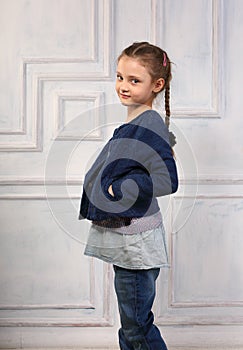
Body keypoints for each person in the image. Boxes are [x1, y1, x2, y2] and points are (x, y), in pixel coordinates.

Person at [79, 42, 178, 350]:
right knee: (132, 323)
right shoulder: (135, 122)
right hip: (129, 240)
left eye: (135, 80)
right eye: (120, 76)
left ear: (156, 85)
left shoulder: (148, 123)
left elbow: (167, 179)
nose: (123, 85)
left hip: (136, 245)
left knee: (136, 326)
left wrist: (117, 189)